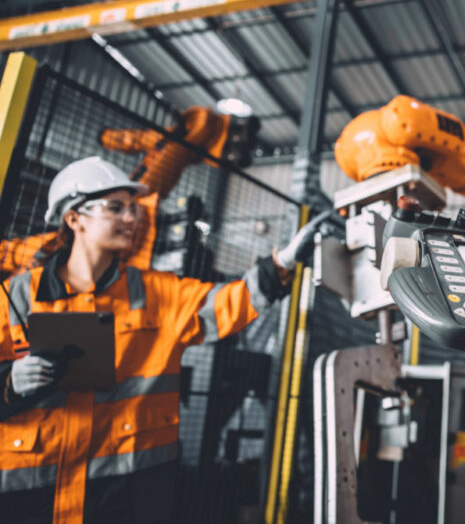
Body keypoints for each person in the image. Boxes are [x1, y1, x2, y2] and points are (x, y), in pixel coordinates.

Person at [0, 156, 332, 524]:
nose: (132, 217)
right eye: (116, 208)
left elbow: (228, 302)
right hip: (28, 496)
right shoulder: (13, 299)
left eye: (132, 207)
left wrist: (281, 263)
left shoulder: (156, 294)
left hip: (125, 498)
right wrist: (9, 382)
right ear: (74, 218)